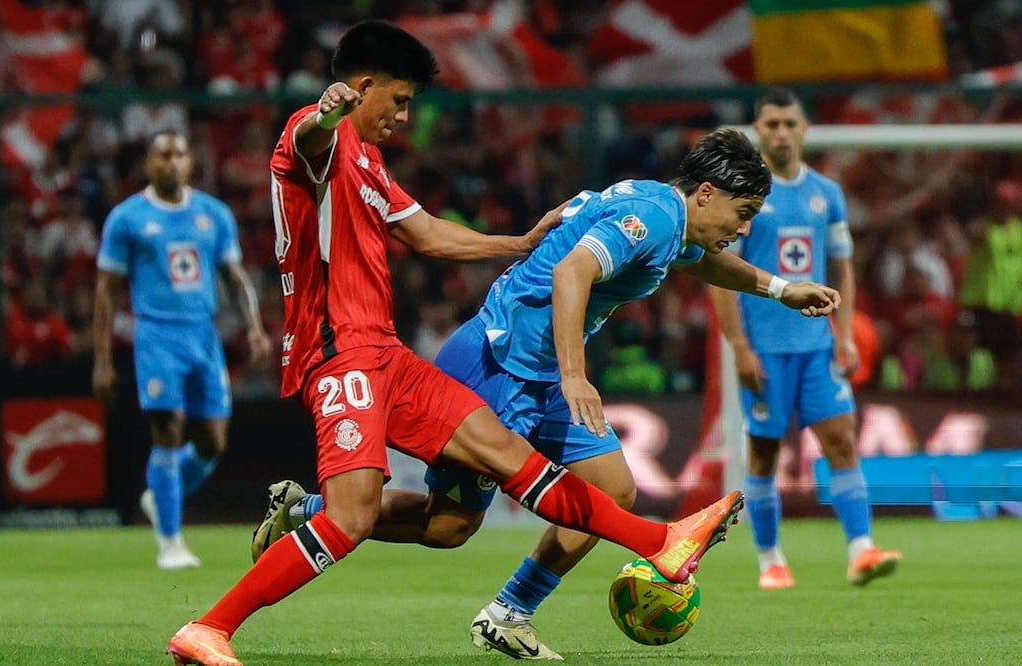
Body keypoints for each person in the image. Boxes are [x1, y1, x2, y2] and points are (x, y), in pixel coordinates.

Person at [161, 21, 817, 666]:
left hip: (386, 350)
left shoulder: (370, 164)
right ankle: (210, 626)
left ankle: (650, 547)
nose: (404, 116)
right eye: (399, 100)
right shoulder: (319, 138)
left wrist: (519, 242)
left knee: (493, 482)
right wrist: (326, 112)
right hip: (345, 353)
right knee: (356, 519)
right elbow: (309, 136)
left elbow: (427, 234)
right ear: (361, 87)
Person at [247, 129, 844, 661]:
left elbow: (704, 262)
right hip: (497, 365)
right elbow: (571, 271)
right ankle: (310, 512)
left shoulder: (672, 218)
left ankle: (509, 614)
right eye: (744, 213)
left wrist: (780, 288)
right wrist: (575, 374)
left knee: (613, 489)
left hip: (541, 374)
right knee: (447, 527)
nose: (745, 229)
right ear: (708, 193)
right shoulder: (654, 216)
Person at [708, 88, 902, 590]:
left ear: (805, 129)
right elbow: (720, 274)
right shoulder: (744, 196)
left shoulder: (827, 193)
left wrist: (846, 334)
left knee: (842, 440)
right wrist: (739, 346)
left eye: (789, 124)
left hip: (817, 346)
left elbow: (842, 267)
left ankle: (861, 550)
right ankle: (770, 559)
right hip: (765, 348)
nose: (781, 133)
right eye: (771, 124)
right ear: (758, 130)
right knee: (765, 454)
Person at [93, 131, 272, 570]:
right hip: (156, 335)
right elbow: (106, 289)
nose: (171, 162)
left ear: (191, 161)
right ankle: (170, 541)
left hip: (203, 336)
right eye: (162, 155)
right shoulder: (128, 218)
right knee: (168, 428)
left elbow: (234, 276)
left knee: (212, 441)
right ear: (148, 164)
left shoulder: (214, 214)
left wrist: (254, 327)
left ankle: (160, 496)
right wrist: (102, 359)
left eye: (179, 154)